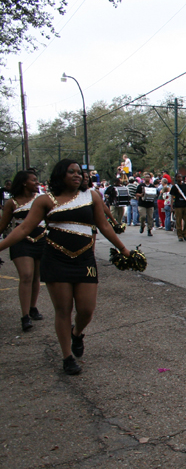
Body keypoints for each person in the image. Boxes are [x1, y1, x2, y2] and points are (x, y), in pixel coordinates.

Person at [0, 160, 132, 375]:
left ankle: (77, 332)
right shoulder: (45, 200)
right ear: (60, 175)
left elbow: (104, 225)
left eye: (79, 172)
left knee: (86, 310)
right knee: (63, 310)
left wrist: (124, 250)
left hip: (84, 260)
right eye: (71, 172)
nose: (77, 175)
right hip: (56, 259)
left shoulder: (91, 196)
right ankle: (67, 357)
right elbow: (24, 228)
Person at [0, 170, 46, 331]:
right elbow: (3, 225)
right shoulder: (12, 203)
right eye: (33, 180)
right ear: (24, 183)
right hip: (21, 241)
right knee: (26, 275)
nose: (37, 182)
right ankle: (25, 316)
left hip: (41, 240)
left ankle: (33, 308)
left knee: (36, 277)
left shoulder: (41, 199)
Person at [170, 174, 186, 242]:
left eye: (180, 177)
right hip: (178, 206)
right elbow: (172, 197)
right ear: (176, 179)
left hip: (185, 205)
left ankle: (185, 233)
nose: (180, 178)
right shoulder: (174, 187)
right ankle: (180, 235)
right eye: (178, 177)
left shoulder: (184, 185)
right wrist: (172, 206)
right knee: (178, 221)